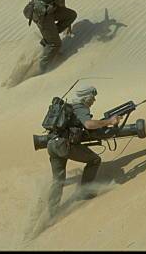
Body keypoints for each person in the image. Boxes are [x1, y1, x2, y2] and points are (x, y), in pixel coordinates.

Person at [46, 85, 122, 216]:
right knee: (94, 160)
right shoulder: (79, 107)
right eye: (92, 98)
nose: (93, 101)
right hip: (64, 145)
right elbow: (88, 124)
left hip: (52, 145)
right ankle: (86, 192)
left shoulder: (67, 107)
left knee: (58, 180)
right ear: (86, 98)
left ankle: (51, 212)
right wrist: (109, 121)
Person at [28, 0, 94, 73]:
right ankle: (41, 71)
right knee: (55, 44)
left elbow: (61, 5)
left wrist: (67, 24)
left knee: (71, 15)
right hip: (41, 13)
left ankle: (48, 39)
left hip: (46, 11)